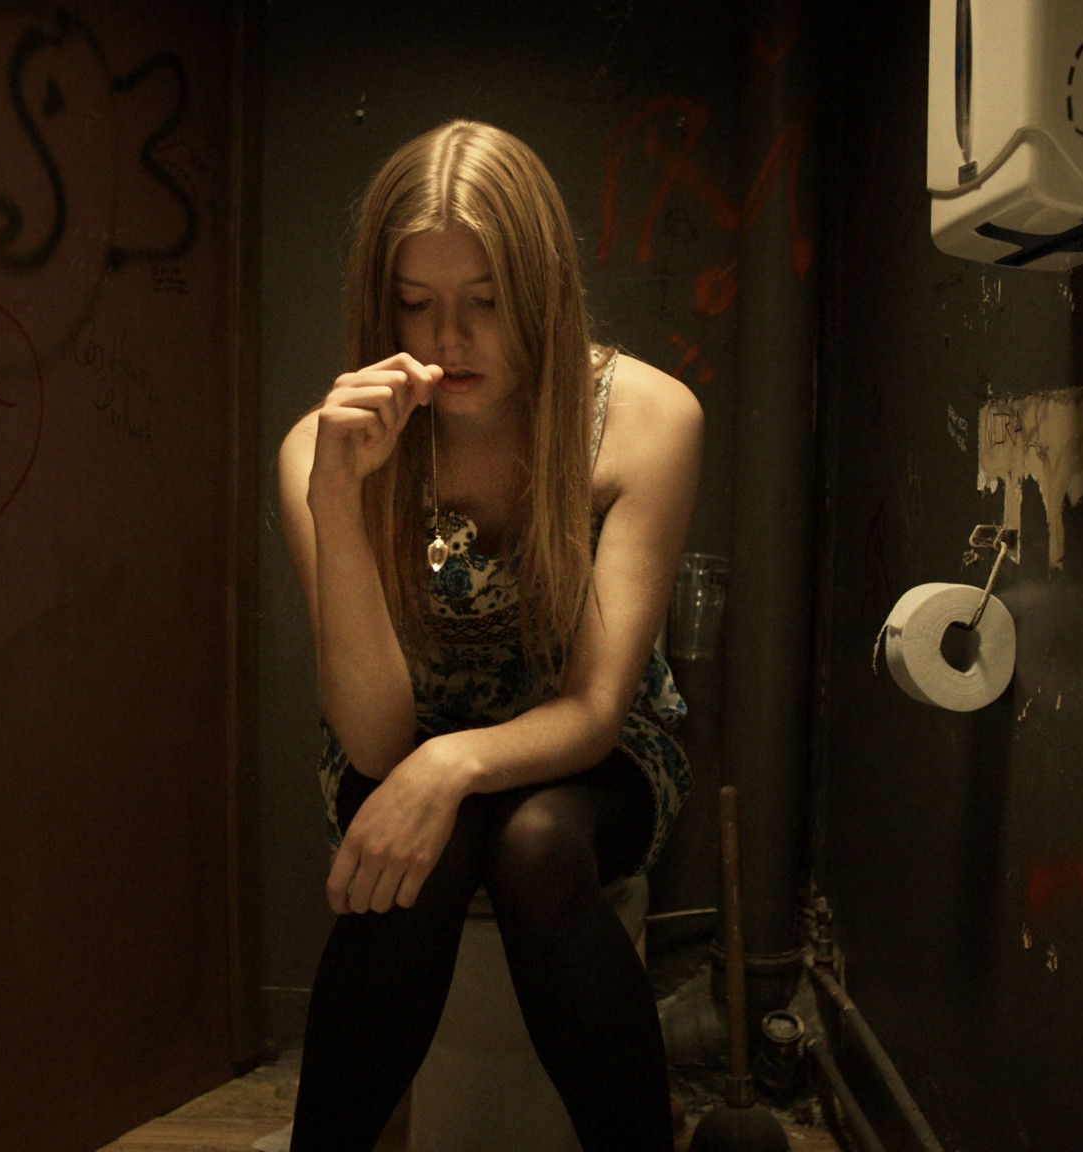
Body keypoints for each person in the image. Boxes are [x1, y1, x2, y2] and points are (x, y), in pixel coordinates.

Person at [276, 119, 702, 1152]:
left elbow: (595, 709)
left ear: (541, 292)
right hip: (402, 742)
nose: (447, 340)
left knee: (534, 840)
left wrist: (451, 766)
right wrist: (336, 500)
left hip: (590, 752)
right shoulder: (325, 449)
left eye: (485, 301)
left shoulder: (645, 419)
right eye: (414, 303)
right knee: (436, 852)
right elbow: (376, 741)